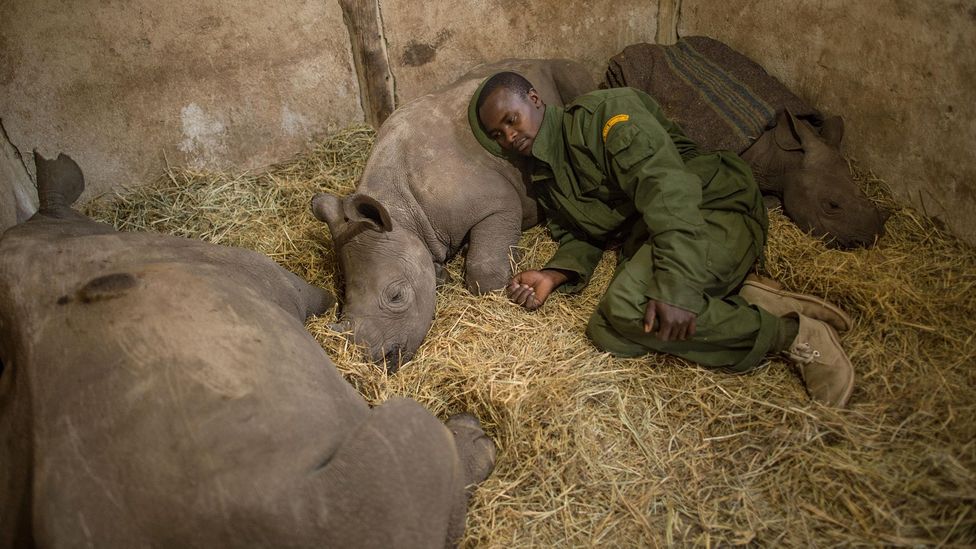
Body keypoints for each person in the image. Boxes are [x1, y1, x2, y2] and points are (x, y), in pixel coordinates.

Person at [468, 72, 856, 407]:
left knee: (625, 307)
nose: (510, 136)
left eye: (512, 119)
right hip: (661, 236)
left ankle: (794, 334)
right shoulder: (546, 177)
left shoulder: (605, 115)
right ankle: (744, 298)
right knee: (605, 332)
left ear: (534, 100)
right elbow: (583, 232)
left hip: (712, 208)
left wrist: (678, 286)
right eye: (498, 134)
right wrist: (554, 274)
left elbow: (667, 187)